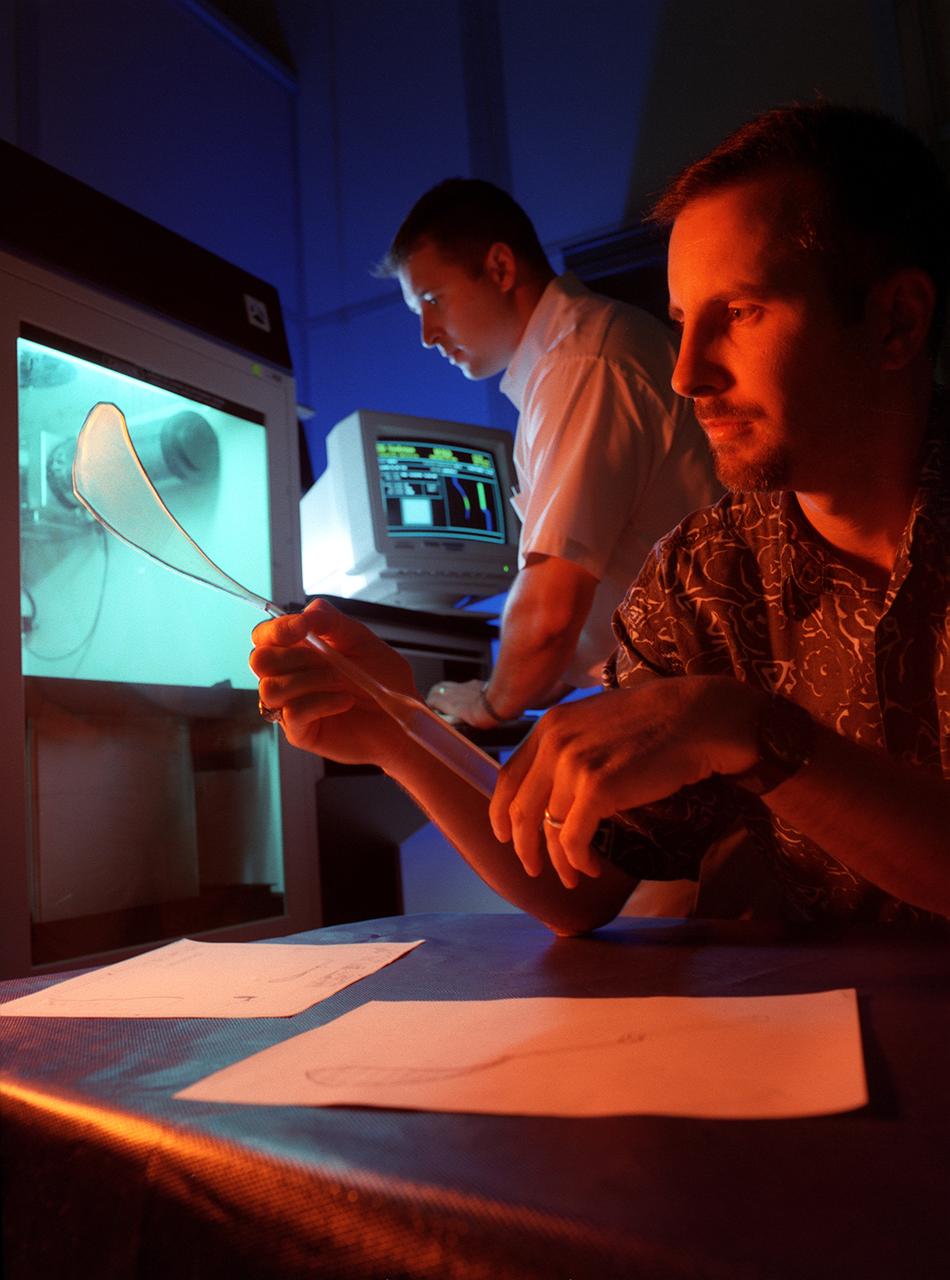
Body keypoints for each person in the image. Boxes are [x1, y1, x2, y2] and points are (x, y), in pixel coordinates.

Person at [252, 102, 949, 937]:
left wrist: (748, 730)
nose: (688, 373)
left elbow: (552, 621)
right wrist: (399, 729)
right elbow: (578, 882)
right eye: (687, 321)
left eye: (744, 312)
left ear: (896, 321)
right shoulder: (706, 572)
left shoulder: (585, 360)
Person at [376, 178, 718, 728]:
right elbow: (572, 632)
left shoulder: (582, 362)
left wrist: (490, 706)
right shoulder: (569, 361)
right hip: (690, 691)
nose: (427, 334)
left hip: (704, 700)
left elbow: (553, 611)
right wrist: (508, 685)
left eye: (433, 300)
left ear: (501, 269)